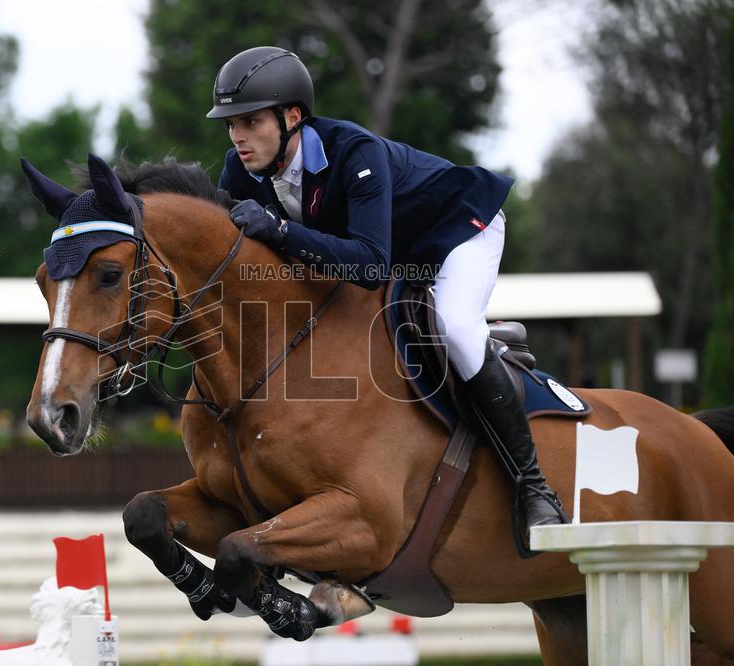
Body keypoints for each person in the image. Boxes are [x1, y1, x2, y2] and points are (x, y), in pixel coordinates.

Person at [207, 46, 566, 539]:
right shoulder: (239, 172)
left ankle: (534, 487)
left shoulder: (355, 153)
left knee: (455, 328)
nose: (239, 138)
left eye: (250, 122)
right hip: (396, 250)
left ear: (292, 117)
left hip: (460, 228)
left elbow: (371, 265)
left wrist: (280, 231)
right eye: (231, 125)